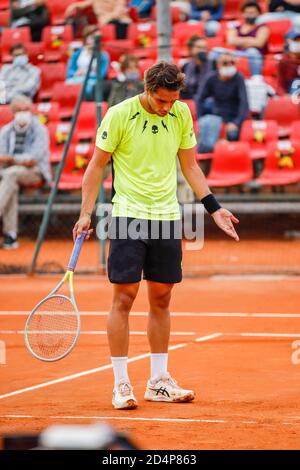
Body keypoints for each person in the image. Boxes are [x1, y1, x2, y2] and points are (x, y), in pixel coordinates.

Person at [73, 61, 239, 410]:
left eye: (173, 100)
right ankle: (121, 384)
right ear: (147, 91)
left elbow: (190, 165)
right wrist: (86, 212)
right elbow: (96, 166)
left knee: (162, 299)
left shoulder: (181, 114)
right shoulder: (120, 115)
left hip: (166, 216)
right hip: (127, 215)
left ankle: (158, 381)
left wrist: (214, 208)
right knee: (124, 298)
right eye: (162, 101)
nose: (167, 108)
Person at [0, 95, 51, 249]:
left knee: (10, 175)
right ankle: (11, 236)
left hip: (35, 172)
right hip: (9, 173)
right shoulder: (6, 130)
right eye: (19, 110)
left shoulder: (40, 129)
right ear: (13, 111)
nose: (23, 112)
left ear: (31, 110)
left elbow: (33, 159)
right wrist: (15, 160)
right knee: (11, 184)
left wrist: (10, 159)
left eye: (26, 109)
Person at [197, 52, 249, 153]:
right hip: (217, 117)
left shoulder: (239, 78)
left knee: (232, 134)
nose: (229, 65)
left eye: (232, 62)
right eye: (225, 63)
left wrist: (236, 122)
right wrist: (200, 118)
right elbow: (199, 99)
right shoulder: (211, 78)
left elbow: (244, 103)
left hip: (234, 118)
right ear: (218, 65)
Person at [210, 1, 270, 76]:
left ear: (258, 13)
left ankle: (256, 78)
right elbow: (230, 41)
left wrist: (239, 40)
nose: (250, 15)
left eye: (253, 12)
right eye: (248, 12)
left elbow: (259, 43)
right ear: (243, 14)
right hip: (238, 53)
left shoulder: (263, 27)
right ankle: (211, 76)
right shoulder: (236, 27)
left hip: (255, 55)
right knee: (216, 51)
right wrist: (251, 40)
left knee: (252, 51)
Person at [66, 25, 110, 100]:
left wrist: (87, 74)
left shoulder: (104, 55)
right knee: (67, 85)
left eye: (98, 38)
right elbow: (69, 72)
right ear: (86, 38)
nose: (96, 40)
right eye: (93, 37)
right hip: (76, 79)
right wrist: (76, 73)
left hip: (93, 81)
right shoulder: (77, 54)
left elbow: (102, 75)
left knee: (88, 88)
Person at [65, 0, 131, 39]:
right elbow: (83, 4)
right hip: (106, 22)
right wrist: (73, 6)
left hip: (120, 19)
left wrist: (109, 17)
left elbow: (119, 10)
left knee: (123, 25)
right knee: (112, 26)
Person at [181, 35, 212, 100]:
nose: (202, 50)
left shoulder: (213, 65)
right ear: (191, 49)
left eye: (204, 48)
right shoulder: (186, 66)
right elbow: (183, 89)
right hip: (189, 98)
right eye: (199, 47)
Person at [278, 30, 300, 94]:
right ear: (288, 42)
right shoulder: (283, 61)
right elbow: (280, 84)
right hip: (292, 91)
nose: (298, 43)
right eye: (295, 41)